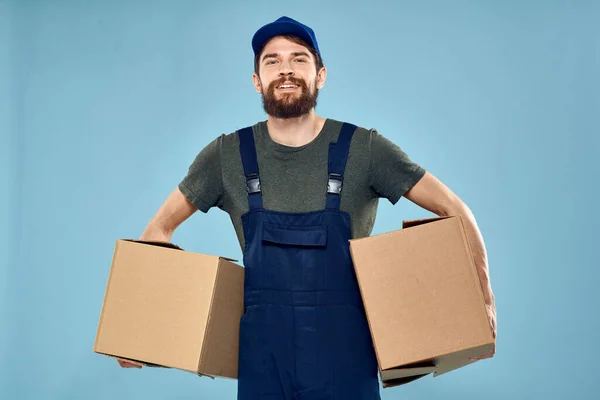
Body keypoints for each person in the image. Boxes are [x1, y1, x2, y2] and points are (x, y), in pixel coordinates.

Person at [117, 16, 497, 400]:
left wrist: (481, 301)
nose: (285, 69)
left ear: (320, 75)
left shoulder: (365, 150)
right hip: (263, 365)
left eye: (299, 59)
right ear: (256, 80)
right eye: (272, 61)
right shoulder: (226, 155)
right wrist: (140, 330)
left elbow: (454, 210)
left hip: (346, 361)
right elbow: (157, 231)